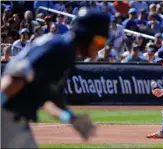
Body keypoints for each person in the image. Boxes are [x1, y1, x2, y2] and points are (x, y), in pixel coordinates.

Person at [1, 7, 110, 148]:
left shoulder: (66, 52)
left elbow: (48, 100)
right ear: (86, 36)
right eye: (99, 42)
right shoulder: (59, 49)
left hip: (15, 120)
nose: (100, 48)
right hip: (7, 119)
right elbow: (15, 78)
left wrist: (70, 118)